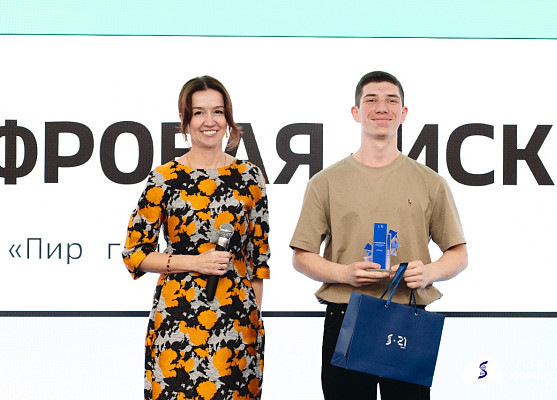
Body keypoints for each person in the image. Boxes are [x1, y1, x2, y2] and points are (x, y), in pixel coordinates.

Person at [289, 71, 468, 400]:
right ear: (356, 112)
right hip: (346, 314)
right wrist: (343, 273)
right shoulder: (325, 182)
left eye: (391, 100)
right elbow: (302, 257)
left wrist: (429, 272)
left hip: (407, 317)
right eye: (371, 100)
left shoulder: (431, 182)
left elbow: (458, 254)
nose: (381, 107)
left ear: (404, 113)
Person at [122, 76, 270, 400]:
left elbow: (257, 260)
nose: (209, 121)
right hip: (177, 321)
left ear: (228, 119)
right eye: (199, 112)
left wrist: (253, 321)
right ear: (185, 120)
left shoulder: (250, 176)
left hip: (237, 323)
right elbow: (135, 253)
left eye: (217, 112)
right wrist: (195, 262)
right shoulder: (164, 178)